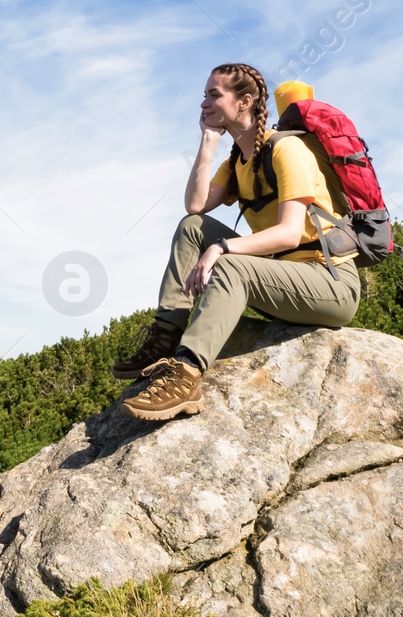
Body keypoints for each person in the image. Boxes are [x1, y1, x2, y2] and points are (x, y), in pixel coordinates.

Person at [112, 63, 360, 421]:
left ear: (244, 102)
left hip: (330, 283)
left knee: (228, 262)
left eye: (214, 95)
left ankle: (186, 375)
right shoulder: (240, 160)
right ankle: (166, 336)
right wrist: (209, 139)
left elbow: (291, 232)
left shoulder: (287, 150)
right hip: (281, 279)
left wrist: (223, 247)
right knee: (192, 226)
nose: (204, 103)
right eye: (204, 95)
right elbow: (195, 206)